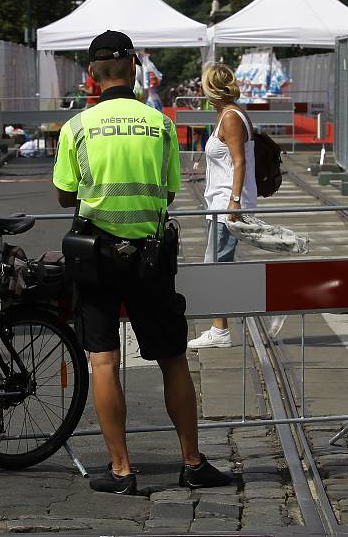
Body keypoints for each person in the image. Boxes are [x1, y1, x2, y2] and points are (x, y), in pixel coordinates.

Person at [52, 30, 231, 495]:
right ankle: (191, 462)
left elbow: (64, 192)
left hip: (95, 257)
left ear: (91, 73)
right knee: (172, 358)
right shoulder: (160, 124)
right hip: (151, 257)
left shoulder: (77, 128)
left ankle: (121, 470)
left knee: (105, 361)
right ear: (133, 67)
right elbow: (169, 192)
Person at [188, 63, 257, 349]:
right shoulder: (227, 114)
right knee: (218, 262)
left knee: (215, 264)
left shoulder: (230, 117)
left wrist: (235, 200)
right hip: (219, 201)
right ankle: (220, 327)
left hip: (227, 203)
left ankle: (220, 330)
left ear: (209, 89)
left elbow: (239, 161)